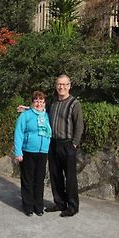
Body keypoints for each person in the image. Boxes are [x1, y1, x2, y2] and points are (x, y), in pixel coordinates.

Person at [45, 74, 84, 217]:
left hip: (67, 144)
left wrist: (74, 144)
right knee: (55, 176)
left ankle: (73, 207)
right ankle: (60, 203)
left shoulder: (74, 104)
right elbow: (41, 112)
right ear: (56, 86)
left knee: (70, 178)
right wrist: (27, 109)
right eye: (59, 84)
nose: (61, 87)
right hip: (53, 144)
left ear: (69, 85)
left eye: (64, 84)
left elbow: (79, 126)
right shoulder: (53, 102)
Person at [14, 91, 52, 217]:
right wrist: (18, 152)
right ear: (32, 102)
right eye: (36, 101)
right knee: (28, 180)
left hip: (43, 152)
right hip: (28, 151)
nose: (39, 103)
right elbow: (18, 133)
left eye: (41, 101)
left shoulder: (46, 115)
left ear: (44, 103)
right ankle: (28, 206)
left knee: (39, 181)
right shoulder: (25, 116)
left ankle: (38, 206)